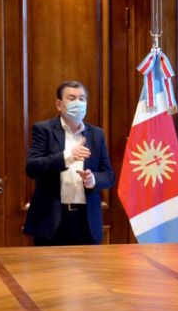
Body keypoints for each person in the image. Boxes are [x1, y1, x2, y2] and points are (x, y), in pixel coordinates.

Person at [23, 80, 115, 246]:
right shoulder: (44, 130)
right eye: (71, 98)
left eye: (82, 99)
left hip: (86, 220)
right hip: (52, 219)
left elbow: (109, 175)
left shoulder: (96, 134)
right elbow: (32, 167)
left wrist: (93, 180)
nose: (78, 103)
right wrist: (67, 156)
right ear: (59, 104)